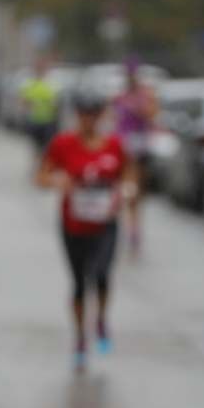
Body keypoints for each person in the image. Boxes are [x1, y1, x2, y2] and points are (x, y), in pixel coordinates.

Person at [37, 92, 137, 370]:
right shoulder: (63, 144)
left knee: (102, 275)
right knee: (80, 283)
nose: (89, 120)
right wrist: (57, 181)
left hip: (105, 224)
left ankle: (101, 319)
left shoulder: (115, 146)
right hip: (73, 225)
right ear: (77, 115)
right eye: (83, 114)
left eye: (94, 114)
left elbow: (129, 175)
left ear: (102, 116)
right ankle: (80, 337)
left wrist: (127, 191)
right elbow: (41, 176)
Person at [112, 59, 158, 254]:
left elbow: (152, 115)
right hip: (122, 147)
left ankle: (134, 228)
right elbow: (112, 120)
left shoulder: (145, 95)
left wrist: (140, 106)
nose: (130, 78)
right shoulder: (119, 96)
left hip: (139, 148)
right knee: (123, 189)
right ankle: (127, 227)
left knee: (137, 194)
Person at [20, 58, 59, 166]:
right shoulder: (30, 84)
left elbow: (56, 102)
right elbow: (23, 101)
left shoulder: (50, 84)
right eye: (39, 68)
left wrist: (53, 106)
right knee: (36, 146)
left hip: (48, 120)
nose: (41, 70)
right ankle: (38, 166)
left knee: (47, 146)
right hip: (34, 120)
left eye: (42, 68)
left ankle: (44, 165)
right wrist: (30, 105)